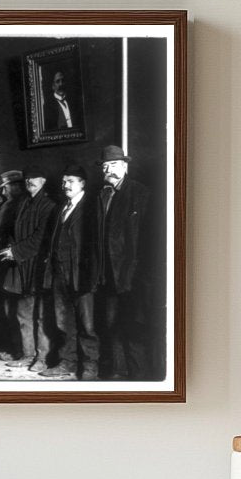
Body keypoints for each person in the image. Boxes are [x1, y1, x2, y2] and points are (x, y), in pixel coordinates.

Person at [94, 145, 150, 380]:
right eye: (105, 166)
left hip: (132, 276)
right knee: (110, 326)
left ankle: (139, 379)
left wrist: (135, 274)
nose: (108, 169)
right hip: (108, 276)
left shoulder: (140, 193)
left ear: (125, 166)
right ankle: (117, 375)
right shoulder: (102, 195)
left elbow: (146, 239)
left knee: (132, 329)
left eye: (114, 165)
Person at [41, 165, 99, 380]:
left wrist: (91, 275)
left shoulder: (92, 207)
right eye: (64, 181)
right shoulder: (61, 208)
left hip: (82, 275)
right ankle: (67, 363)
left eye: (71, 181)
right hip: (60, 274)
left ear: (82, 183)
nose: (66, 185)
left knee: (87, 324)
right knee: (63, 323)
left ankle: (90, 367)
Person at [0, 168, 56, 370]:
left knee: (40, 316)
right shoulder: (23, 203)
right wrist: (12, 249)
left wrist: (16, 251)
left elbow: (41, 238)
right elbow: (14, 231)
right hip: (21, 265)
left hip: (38, 266)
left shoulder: (48, 205)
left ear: (44, 180)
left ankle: (42, 358)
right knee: (22, 313)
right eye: (28, 178)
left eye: (35, 178)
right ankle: (27, 354)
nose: (30, 181)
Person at [0, 170, 28, 360]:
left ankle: (21, 352)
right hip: (2, 264)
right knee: (7, 309)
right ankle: (14, 348)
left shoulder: (19, 206)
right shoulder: (6, 205)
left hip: (13, 264)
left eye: (6, 187)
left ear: (17, 187)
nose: (3, 192)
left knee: (18, 311)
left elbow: (10, 235)